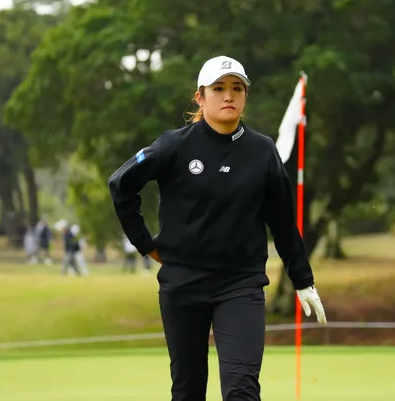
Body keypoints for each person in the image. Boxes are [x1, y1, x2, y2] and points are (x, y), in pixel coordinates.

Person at [108, 55, 326, 401]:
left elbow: (283, 222)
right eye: (219, 88)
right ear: (200, 97)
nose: (228, 96)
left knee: (242, 391)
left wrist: (303, 280)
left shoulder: (263, 151)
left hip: (240, 285)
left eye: (237, 88)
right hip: (183, 283)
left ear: (245, 96)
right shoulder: (174, 145)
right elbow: (120, 185)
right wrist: (145, 244)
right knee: (188, 391)